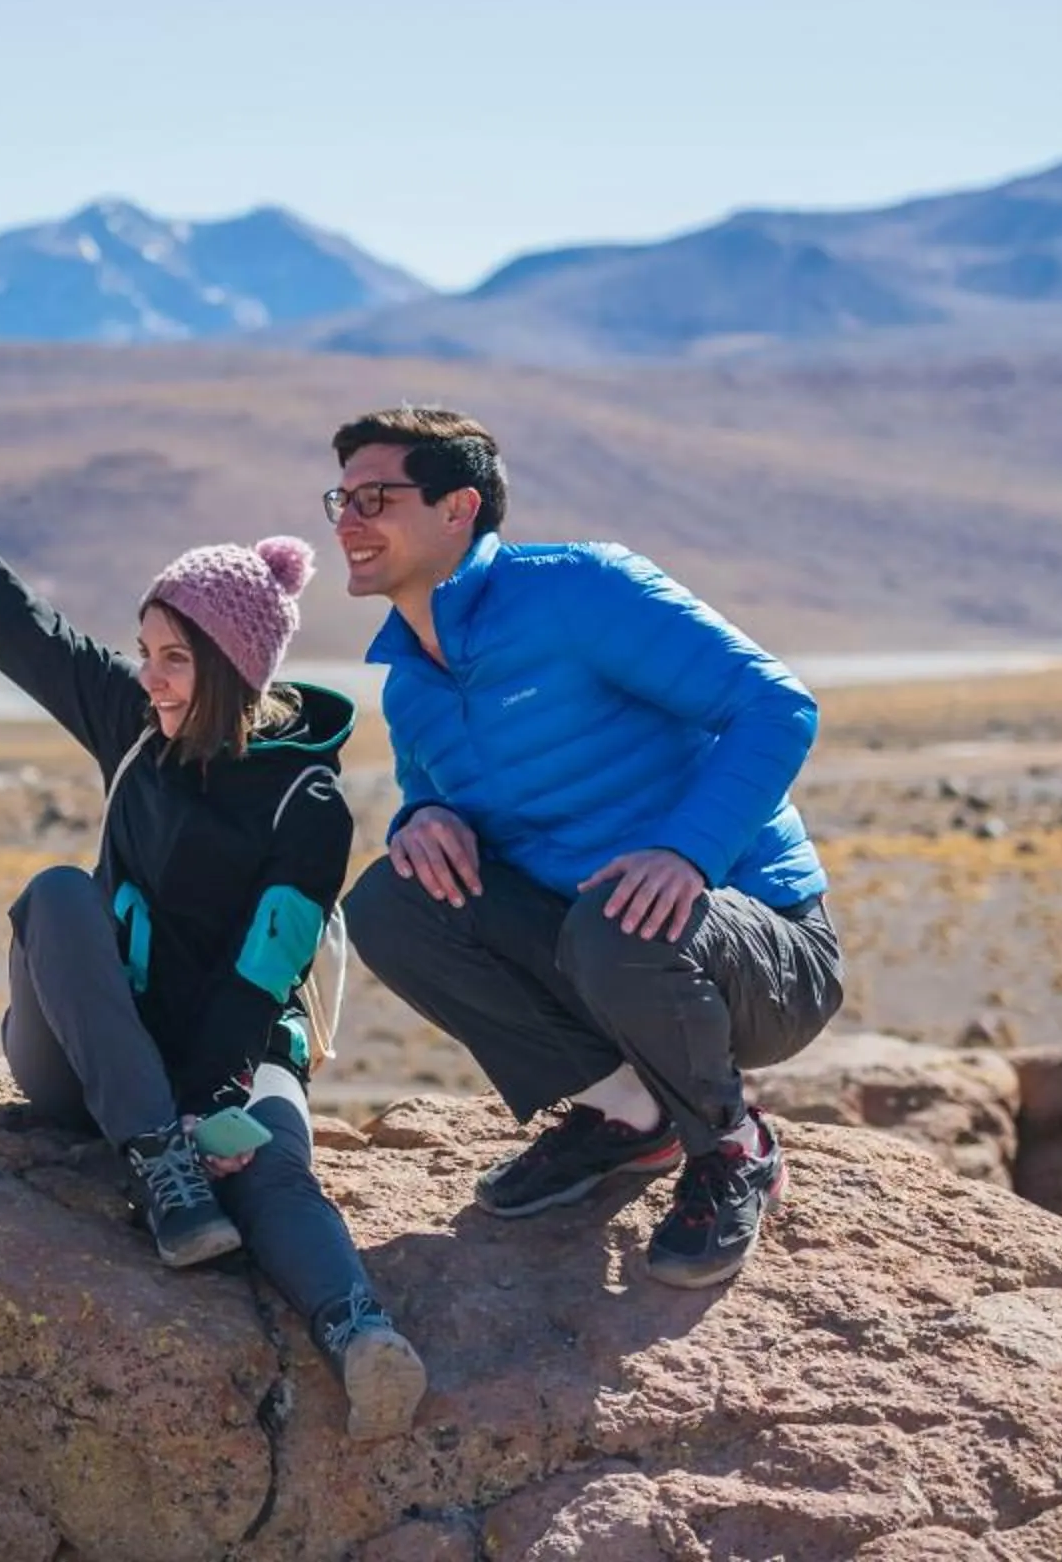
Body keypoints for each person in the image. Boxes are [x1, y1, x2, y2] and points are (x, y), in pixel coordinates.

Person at [0, 397, 428, 1441]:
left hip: (227, 1050)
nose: (150, 677)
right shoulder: (131, 727)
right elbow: (13, 618)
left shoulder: (307, 805)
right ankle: (156, 1159)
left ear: (232, 665)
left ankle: (361, 1331)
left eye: (173, 658)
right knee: (59, 893)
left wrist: (218, 1108)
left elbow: (269, 972)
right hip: (86, 1050)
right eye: (145, 650)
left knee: (273, 1161)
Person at [327, 406, 844, 1289]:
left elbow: (777, 705)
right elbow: (428, 794)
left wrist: (686, 852)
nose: (348, 519)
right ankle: (627, 1110)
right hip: (598, 953)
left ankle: (731, 1144)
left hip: (756, 954)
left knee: (623, 913)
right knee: (391, 902)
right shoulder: (411, 684)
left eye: (377, 495)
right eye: (340, 497)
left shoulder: (581, 590)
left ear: (460, 509)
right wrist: (420, 822)